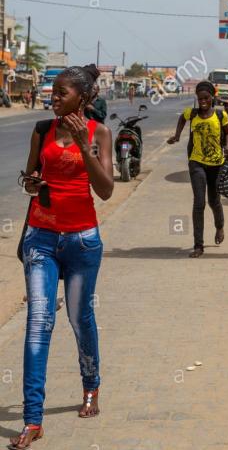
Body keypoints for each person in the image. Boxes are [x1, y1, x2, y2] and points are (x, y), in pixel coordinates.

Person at [10, 64, 114, 449]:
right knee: (38, 319)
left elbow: (105, 191)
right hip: (41, 237)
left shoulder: (99, 133)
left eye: (61, 93)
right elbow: (30, 179)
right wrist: (33, 184)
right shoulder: (42, 130)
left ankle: (91, 386)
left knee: (78, 316)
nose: (53, 97)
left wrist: (84, 148)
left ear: (82, 99)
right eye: (52, 91)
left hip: (82, 241)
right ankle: (32, 419)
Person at [167, 80, 228, 258]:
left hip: (216, 164)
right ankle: (198, 245)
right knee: (199, 203)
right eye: (199, 98)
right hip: (196, 163)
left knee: (214, 201)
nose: (202, 101)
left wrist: (227, 147)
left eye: (206, 98)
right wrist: (177, 135)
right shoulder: (192, 113)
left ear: (212, 97)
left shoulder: (220, 115)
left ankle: (219, 226)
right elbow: (182, 118)